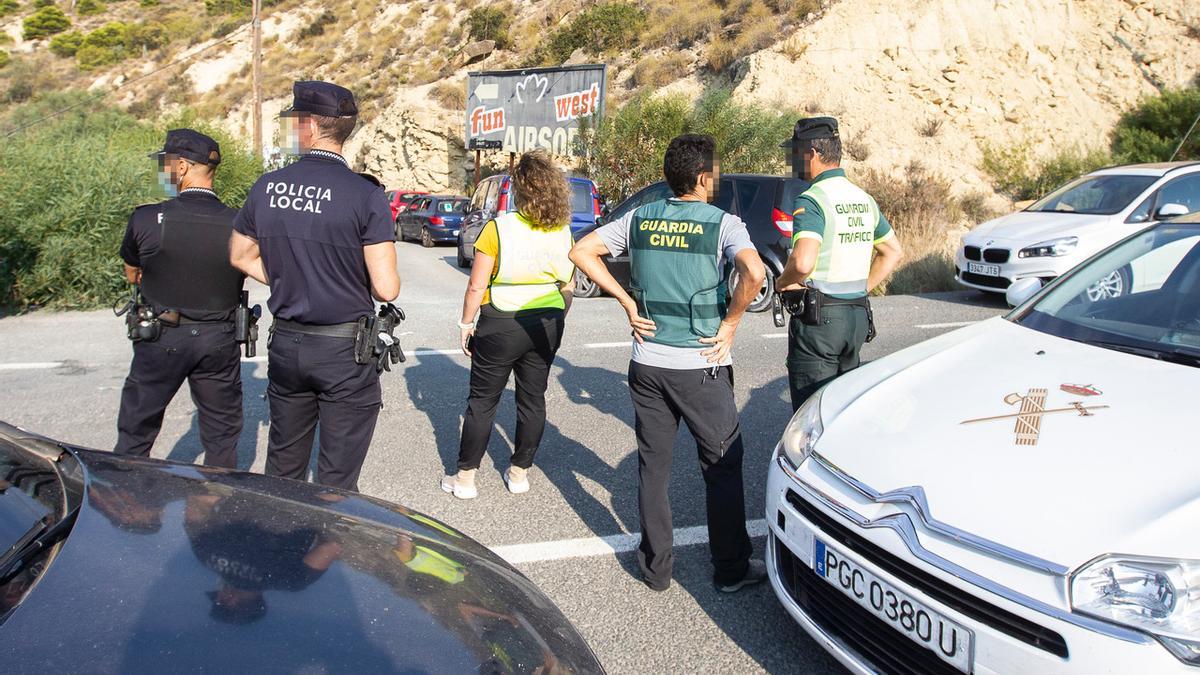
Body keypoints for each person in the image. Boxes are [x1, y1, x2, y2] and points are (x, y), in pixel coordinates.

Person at [569, 134, 767, 593]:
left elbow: (580, 251)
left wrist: (624, 300)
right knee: (721, 465)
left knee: (652, 468)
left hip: (647, 365)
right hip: (700, 365)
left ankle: (656, 571)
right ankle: (731, 569)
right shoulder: (723, 223)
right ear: (703, 178)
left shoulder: (639, 217)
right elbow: (755, 273)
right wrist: (732, 323)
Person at [229, 81, 400, 492]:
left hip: (287, 344)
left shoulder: (267, 186)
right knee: (337, 481)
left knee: (284, 469)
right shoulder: (365, 194)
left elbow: (240, 255)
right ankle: (327, 549)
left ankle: (280, 547)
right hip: (344, 351)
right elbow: (387, 288)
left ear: (307, 127)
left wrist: (290, 275)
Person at [442, 150, 576, 499]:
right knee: (533, 400)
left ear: (519, 189)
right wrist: (558, 317)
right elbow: (569, 286)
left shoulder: (498, 228)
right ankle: (519, 473)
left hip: (501, 318)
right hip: (546, 320)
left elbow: (476, 285)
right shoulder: (563, 230)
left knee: (483, 401)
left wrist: (466, 323)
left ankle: (466, 479)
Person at [115, 129, 245, 469]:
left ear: (183, 167)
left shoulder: (146, 218)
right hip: (220, 337)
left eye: (166, 165)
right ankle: (214, 509)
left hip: (160, 336)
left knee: (136, 430)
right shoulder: (240, 222)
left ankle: (127, 505)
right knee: (221, 436)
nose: (163, 172)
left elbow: (133, 273)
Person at [775, 117, 904, 411]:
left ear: (810, 154)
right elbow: (892, 252)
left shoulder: (813, 199)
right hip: (856, 317)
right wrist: (861, 289)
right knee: (842, 408)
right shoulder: (863, 198)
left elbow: (804, 261)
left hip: (820, 322)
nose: (791, 161)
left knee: (812, 414)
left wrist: (783, 282)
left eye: (793, 154)